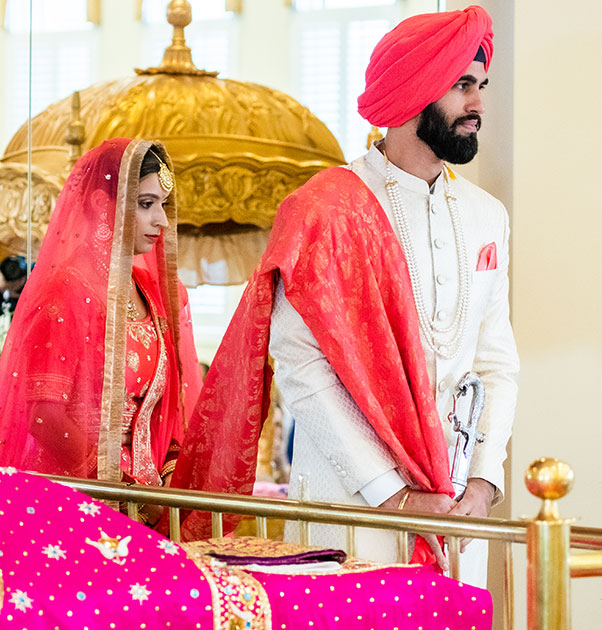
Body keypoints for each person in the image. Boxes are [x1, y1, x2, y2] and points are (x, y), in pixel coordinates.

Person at [175, 6, 517, 586]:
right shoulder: (326, 210)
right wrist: (393, 494)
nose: (478, 105)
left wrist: (483, 483)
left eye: (481, 87)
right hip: (352, 505)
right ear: (415, 91)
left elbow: (495, 362)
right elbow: (302, 365)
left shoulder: (488, 217)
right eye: (463, 86)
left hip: (458, 510)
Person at [0, 139, 203, 517]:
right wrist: (121, 491)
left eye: (163, 205)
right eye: (146, 204)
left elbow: (173, 411)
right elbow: (44, 416)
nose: (162, 221)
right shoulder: (67, 293)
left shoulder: (154, 295)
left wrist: (164, 484)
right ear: (105, 206)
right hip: (79, 497)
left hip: (148, 500)